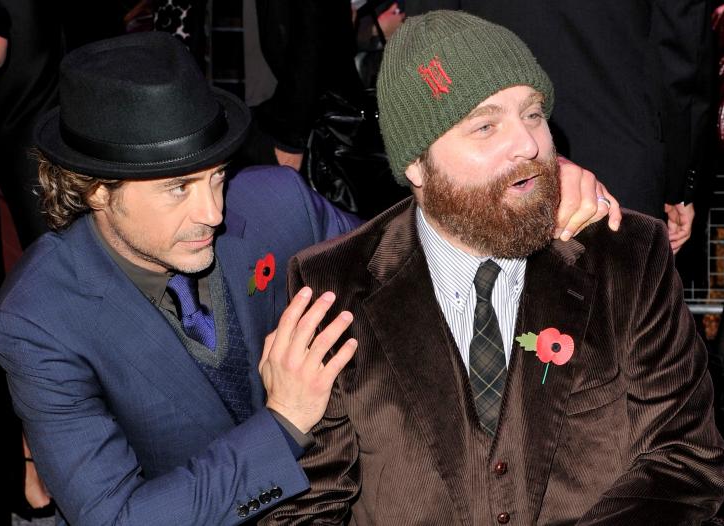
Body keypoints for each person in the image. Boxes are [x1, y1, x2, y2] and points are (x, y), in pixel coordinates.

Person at [0, 29, 617, 526]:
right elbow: (119, 518)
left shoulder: (272, 204)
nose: (212, 211)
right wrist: (283, 422)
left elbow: (411, 251)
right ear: (96, 192)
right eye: (178, 189)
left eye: (214, 176)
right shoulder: (40, 316)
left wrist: (535, 191)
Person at [263, 11, 724, 525]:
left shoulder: (625, 256)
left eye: (533, 114)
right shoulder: (334, 289)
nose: (528, 145)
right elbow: (304, 507)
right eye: (485, 125)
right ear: (416, 163)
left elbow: (686, 461)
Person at [404, 0, 715, 255]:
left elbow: (425, 39)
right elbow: (683, 53)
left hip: (488, 158)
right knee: (619, 319)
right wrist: (679, 184)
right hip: (620, 158)